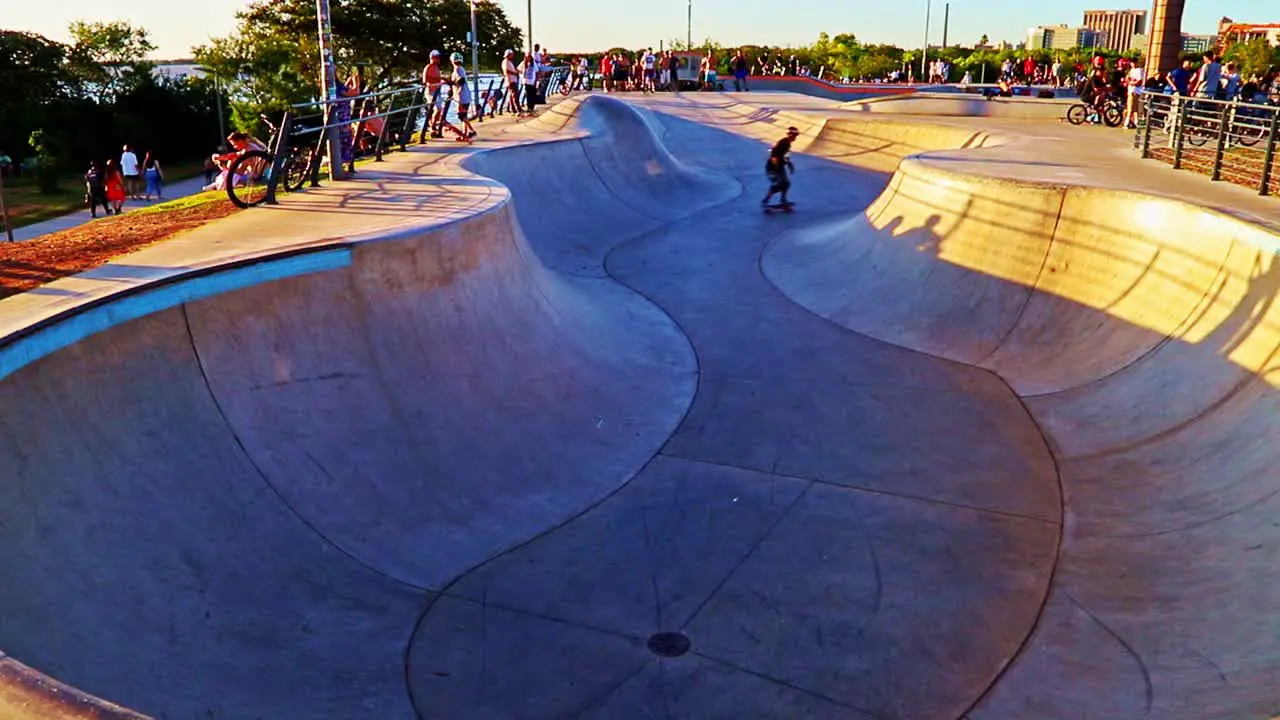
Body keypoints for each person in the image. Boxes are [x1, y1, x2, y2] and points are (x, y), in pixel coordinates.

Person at [762, 126, 799, 207]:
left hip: (779, 166)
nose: (795, 137)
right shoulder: (783, 143)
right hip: (774, 167)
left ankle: (783, 200)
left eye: (796, 135)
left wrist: (789, 164)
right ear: (790, 135)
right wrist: (776, 167)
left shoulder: (787, 143)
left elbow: (785, 156)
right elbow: (773, 155)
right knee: (781, 184)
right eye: (794, 135)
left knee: (786, 184)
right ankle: (766, 200)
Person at [449, 52, 477, 141]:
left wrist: (452, 84)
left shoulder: (457, 69)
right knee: (463, 115)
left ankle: (472, 131)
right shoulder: (460, 68)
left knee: (461, 116)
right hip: (465, 95)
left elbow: (461, 82)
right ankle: (464, 135)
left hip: (462, 96)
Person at [421, 50, 445, 141]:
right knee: (438, 108)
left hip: (437, 91)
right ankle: (432, 126)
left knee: (438, 109)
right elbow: (425, 80)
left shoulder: (437, 68)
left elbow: (438, 79)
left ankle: (433, 126)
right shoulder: (428, 67)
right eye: (437, 57)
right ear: (432, 58)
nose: (439, 59)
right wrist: (439, 79)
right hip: (430, 92)